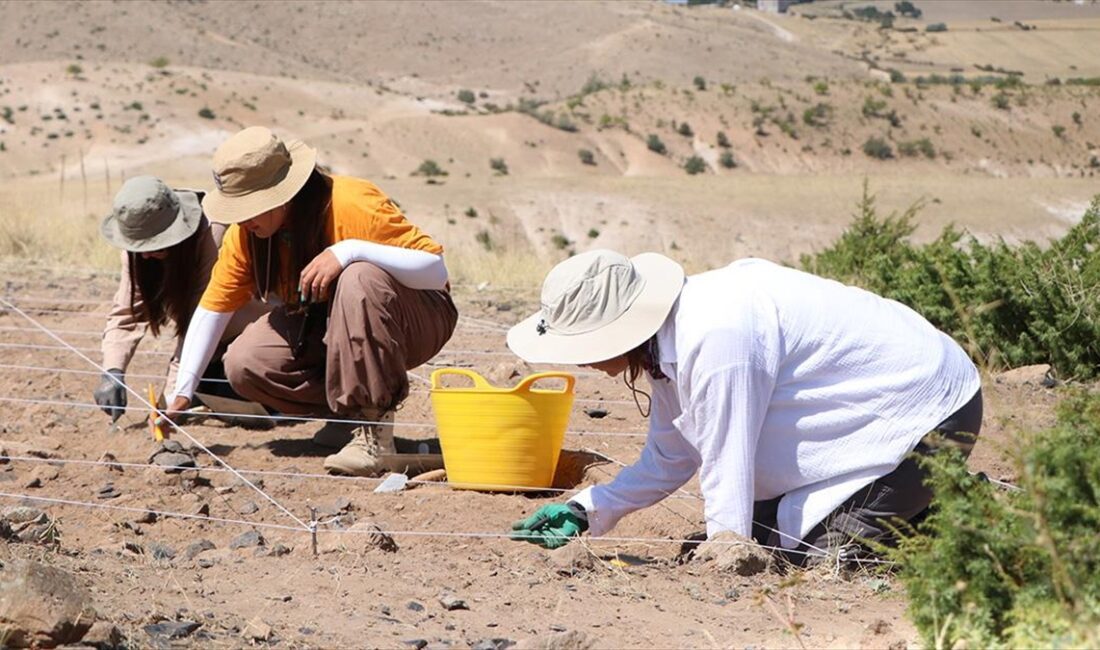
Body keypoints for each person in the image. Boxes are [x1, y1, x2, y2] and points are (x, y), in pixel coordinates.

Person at [506, 250, 982, 560]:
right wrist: (588, 508)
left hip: (929, 413)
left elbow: (725, 455)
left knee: (807, 555)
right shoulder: (671, 340)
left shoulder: (717, 338)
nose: (584, 362)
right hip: (873, 411)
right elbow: (674, 453)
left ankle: (940, 515)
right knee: (759, 532)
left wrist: (727, 552)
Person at [163, 126, 457, 476]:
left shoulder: (351, 202)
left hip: (416, 318)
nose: (242, 218)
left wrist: (348, 252)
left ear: (281, 196)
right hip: (333, 326)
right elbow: (215, 308)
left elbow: (435, 272)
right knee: (246, 361)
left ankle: (375, 434)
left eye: (250, 207)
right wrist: (183, 390)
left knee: (358, 277)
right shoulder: (248, 235)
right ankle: (346, 420)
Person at [94, 176, 270, 420]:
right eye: (140, 247)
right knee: (209, 392)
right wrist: (112, 373)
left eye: (153, 245)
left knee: (240, 380)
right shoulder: (136, 249)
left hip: (247, 332)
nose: (145, 256)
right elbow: (127, 314)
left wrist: (172, 400)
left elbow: (200, 321)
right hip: (209, 345)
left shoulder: (212, 235)